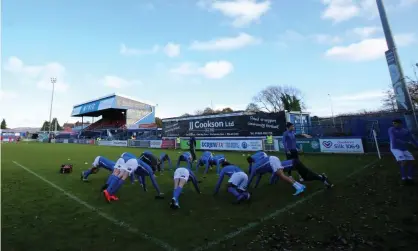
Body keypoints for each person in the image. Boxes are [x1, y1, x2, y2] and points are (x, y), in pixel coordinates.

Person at [388, 119, 418, 184]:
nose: (394, 125)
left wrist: (416, 145)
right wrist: (405, 142)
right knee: (403, 161)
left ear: (400, 124)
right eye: (393, 123)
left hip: (404, 148)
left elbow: (412, 139)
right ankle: (404, 179)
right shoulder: (391, 129)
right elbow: (394, 139)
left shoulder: (405, 131)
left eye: (395, 123)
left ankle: (410, 178)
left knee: (412, 162)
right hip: (395, 148)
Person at [269, 159, 333, 189]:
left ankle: (323, 178)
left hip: (296, 164)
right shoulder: (275, 165)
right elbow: (276, 176)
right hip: (296, 164)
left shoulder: (275, 168)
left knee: (307, 175)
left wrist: (271, 183)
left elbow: (274, 176)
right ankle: (321, 177)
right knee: (307, 175)